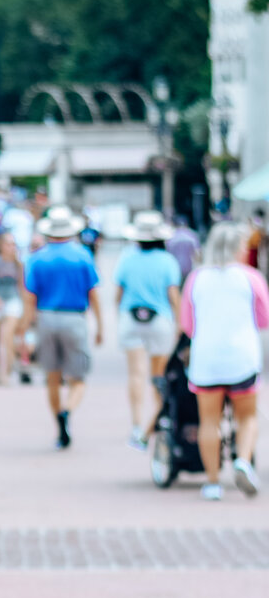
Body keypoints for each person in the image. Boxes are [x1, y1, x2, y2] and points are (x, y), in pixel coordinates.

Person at [179, 222, 269, 500]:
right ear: (236, 249)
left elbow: (187, 324)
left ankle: (213, 482)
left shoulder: (196, 278)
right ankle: (243, 460)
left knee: (209, 421)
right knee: (248, 417)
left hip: (206, 359)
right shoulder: (251, 277)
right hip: (241, 357)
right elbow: (264, 318)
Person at [19, 205, 103, 448]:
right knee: (78, 377)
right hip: (75, 318)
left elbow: (29, 299)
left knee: (52, 377)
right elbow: (94, 294)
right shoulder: (83, 256)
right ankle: (68, 410)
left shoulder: (36, 259)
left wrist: (23, 331)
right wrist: (100, 326)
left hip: (46, 318)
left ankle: (59, 424)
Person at [113, 210, 181, 448]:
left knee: (135, 374)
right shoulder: (167, 261)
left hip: (131, 318)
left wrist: (117, 316)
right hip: (159, 321)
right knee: (159, 376)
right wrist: (180, 323)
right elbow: (173, 295)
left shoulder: (127, 258)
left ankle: (136, 424)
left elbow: (117, 294)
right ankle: (159, 419)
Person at [0, 233, 25, 382]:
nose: (11, 247)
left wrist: (26, 308)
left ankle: (8, 370)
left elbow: (22, 286)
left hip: (13, 300)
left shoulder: (18, 264)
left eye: (13, 244)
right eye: (8, 244)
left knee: (8, 336)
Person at [167, 215, 201, 283]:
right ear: (186, 224)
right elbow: (198, 254)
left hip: (174, 269)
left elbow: (167, 253)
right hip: (188, 269)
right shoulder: (192, 235)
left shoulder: (170, 235)